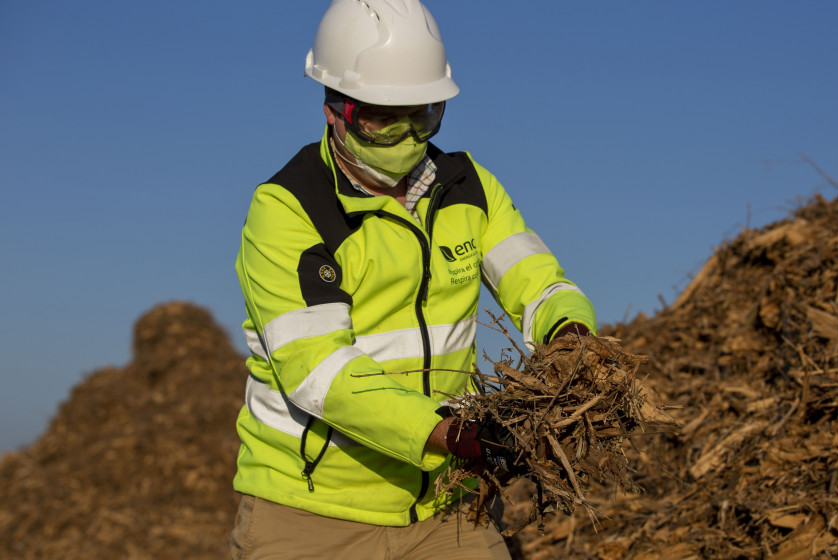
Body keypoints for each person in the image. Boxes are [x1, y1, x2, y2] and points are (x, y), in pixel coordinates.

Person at [229, 1, 597, 558]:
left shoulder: (469, 189)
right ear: (335, 108)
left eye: (421, 114)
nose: (405, 135)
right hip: (311, 513)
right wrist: (449, 433)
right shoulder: (288, 209)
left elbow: (538, 282)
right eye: (381, 118)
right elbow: (319, 370)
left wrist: (571, 337)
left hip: (447, 505)